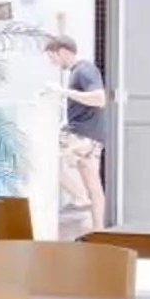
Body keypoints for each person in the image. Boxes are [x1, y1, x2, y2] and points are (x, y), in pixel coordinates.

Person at [44, 34, 109, 236]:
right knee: (95, 187)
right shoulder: (81, 71)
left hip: (80, 135)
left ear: (63, 51)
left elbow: (99, 99)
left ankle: (79, 197)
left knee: (42, 161)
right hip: (93, 136)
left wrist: (63, 92)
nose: (51, 61)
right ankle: (99, 232)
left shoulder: (84, 70)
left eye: (52, 56)